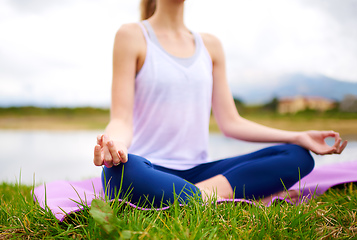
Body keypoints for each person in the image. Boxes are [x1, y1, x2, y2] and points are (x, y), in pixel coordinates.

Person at [93, 0, 347, 207]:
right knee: (119, 174)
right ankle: (238, 200)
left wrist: (297, 136)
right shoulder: (132, 35)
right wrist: (115, 145)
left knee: (296, 156)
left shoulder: (210, 45)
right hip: (150, 170)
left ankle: (195, 198)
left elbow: (231, 122)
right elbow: (121, 119)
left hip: (203, 171)